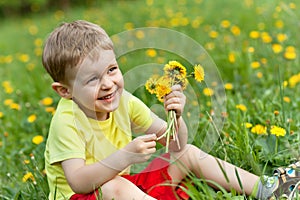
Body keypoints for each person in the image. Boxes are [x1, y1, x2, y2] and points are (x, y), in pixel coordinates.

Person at [42, 20, 300, 200]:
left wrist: (176, 118)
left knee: (187, 155)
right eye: (92, 79)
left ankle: (269, 190)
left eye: (112, 70)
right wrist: (125, 157)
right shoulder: (67, 122)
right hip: (87, 196)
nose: (108, 83)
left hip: (126, 188)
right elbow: (78, 182)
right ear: (65, 91)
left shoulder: (124, 101)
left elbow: (175, 146)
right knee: (114, 187)